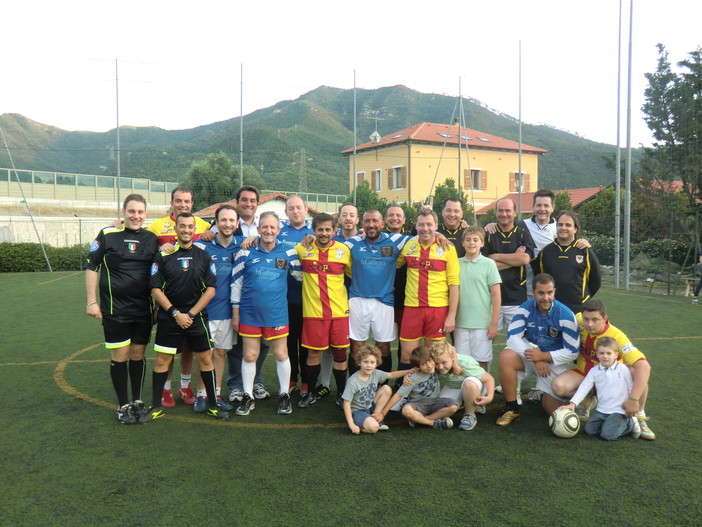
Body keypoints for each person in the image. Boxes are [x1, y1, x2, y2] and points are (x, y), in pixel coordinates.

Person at [140, 212, 228, 422]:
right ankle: (156, 405)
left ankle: (212, 404)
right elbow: (155, 289)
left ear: (194, 229)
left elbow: (211, 289)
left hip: (195, 317)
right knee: (162, 360)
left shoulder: (204, 256)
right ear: (176, 228)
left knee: (206, 359)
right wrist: (175, 313)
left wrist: (189, 314)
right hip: (169, 317)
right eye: (182, 226)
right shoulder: (163, 255)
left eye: (190, 226)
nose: (186, 230)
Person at [85, 194, 160, 424]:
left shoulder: (151, 239)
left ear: (145, 214)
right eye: (132, 211)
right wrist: (91, 301)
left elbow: (158, 272)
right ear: (123, 212)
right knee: (120, 356)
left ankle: (137, 401)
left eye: (140, 212)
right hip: (115, 309)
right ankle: (123, 405)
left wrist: (157, 305)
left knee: (138, 355)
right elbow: (92, 266)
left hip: (142, 309)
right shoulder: (108, 234)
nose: (136, 216)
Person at [551, 298, 655, 440]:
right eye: (586, 319)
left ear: (605, 319)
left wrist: (633, 399)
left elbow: (644, 366)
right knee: (559, 386)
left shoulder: (618, 336)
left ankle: (638, 416)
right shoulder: (578, 320)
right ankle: (587, 402)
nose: (589, 324)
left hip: (609, 380)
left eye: (595, 320)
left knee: (636, 372)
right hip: (584, 374)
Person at [231, 212, 302, 416]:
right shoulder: (246, 252)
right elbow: (236, 284)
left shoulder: (289, 252)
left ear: (278, 230)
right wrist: (236, 313)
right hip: (250, 312)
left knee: (281, 354)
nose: (269, 230)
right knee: (250, 355)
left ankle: (284, 394)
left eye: (273, 227)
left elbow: (301, 276)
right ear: (258, 229)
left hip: (277, 313)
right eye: (265, 227)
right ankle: (247, 396)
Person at [147, 186, 211, 407]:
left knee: (188, 348)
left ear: (192, 204)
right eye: (179, 201)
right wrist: (118, 225)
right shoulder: (157, 225)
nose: (183, 204)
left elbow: (219, 235)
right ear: (172, 202)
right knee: (167, 351)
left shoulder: (203, 224)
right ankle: (165, 390)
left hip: (192, 302)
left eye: (187, 201)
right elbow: (141, 240)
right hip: (168, 300)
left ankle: (185, 387)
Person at [495, 273, 580, 427]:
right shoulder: (525, 309)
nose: (545, 298)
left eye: (549, 293)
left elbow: (573, 351)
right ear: (533, 293)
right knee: (506, 356)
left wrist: (544, 356)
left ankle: (581, 397)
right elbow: (513, 337)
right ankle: (512, 408)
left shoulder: (566, 314)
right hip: (531, 356)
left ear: (554, 291)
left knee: (551, 411)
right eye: (541, 293)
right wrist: (537, 358)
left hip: (553, 362)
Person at [296, 212, 352, 408]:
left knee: (340, 354)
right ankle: (310, 392)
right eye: (320, 229)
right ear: (313, 231)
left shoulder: (344, 251)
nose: (324, 233)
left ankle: (342, 394)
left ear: (334, 231)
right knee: (313, 354)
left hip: (339, 313)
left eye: (328, 229)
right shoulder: (303, 249)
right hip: (313, 313)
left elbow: (352, 275)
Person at [192, 204, 245, 413]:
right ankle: (201, 395)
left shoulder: (242, 245)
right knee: (204, 355)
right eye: (223, 220)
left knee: (221, 353)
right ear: (216, 222)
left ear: (237, 223)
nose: (228, 224)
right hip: (205, 311)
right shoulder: (203, 246)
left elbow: (267, 238)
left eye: (232, 220)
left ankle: (217, 393)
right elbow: (182, 245)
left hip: (226, 312)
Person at [345, 209, 409, 376]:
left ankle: (382, 387)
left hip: (384, 302)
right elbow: (331, 244)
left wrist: (439, 235)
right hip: (357, 300)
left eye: (375, 221)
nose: (371, 224)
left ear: (382, 224)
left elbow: (423, 236)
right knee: (357, 347)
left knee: (384, 347)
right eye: (367, 221)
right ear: (362, 224)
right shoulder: (353, 243)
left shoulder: (395, 240)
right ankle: (355, 385)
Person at [397, 207, 459, 372]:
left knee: (434, 356)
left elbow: (454, 284)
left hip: (437, 310)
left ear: (436, 225)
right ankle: (405, 389)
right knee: (407, 355)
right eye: (421, 225)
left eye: (429, 225)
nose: (425, 229)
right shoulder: (408, 246)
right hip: (412, 308)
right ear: (415, 226)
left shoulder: (447, 248)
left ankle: (432, 392)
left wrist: (451, 316)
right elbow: (393, 264)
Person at [226, 185, 272, 403]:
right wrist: (207, 234)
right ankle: (235, 384)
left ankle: (257, 380)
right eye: (244, 200)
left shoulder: (263, 225)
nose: (248, 203)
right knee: (236, 342)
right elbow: (209, 239)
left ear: (257, 203)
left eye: (252, 200)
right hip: (234, 291)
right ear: (237, 202)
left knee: (261, 343)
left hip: (258, 294)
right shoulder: (227, 222)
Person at [559, 336, 641, 441]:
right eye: (601, 353)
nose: (605, 356)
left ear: (616, 355)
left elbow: (630, 387)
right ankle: (610, 424)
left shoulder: (623, 369)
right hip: (602, 410)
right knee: (590, 431)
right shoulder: (594, 371)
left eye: (609, 353)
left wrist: (632, 405)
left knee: (607, 436)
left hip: (619, 411)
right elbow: (584, 387)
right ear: (597, 354)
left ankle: (631, 423)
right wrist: (573, 403)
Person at [277, 196, 313, 393]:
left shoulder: (316, 232)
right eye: (291, 208)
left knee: (306, 342)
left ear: (305, 209)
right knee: (289, 341)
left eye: (299, 207)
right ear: (286, 212)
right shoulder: (278, 231)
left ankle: (307, 381)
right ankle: (291, 379)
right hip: (285, 298)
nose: (295, 211)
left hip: (309, 298)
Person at [455, 226, 502, 375]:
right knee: (462, 361)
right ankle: (466, 392)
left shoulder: (489, 264)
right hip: (461, 323)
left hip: (482, 324)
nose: (471, 243)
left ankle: (482, 391)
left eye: (475, 240)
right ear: (463, 243)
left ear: (482, 243)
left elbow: (496, 295)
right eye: (468, 240)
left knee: (481, 360)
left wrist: (494, 324)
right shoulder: (456, 263)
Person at [536, 211, 601, 313]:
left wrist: (584, 298)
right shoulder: (545, 252)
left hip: (578, 310)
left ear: (575, 229)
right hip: (551, 309)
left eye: (568, 225)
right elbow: (539, 277)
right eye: (560, 224)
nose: (563, 228)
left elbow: (595, 280)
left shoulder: (585, 251)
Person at [379, 346, 458, 429]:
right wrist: (382, 414)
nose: (429, 365)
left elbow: (452, 348)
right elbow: (398, 395)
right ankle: (433, 423)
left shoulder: (436, 368)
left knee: (453, 407)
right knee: (406, 410)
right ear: (418, 367)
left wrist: (455, 364)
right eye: (424, 364)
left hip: (435, 401)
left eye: (430, 361)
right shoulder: (412, 378)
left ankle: (421, 420)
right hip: (418, 405)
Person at [341, 345, 408, 434]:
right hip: (358, 411)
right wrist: (351, 425)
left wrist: (410, 371)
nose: (369, 365)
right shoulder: (353, 381)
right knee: (374, 428)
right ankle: (366, 424)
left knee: (386, 389)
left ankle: (376, 417)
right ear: (359, 363)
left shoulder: (375, 373)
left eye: (372, 362)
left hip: (370, 405)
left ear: (377, 363)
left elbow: (391, 375)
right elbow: (346, 403)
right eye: (365, 362)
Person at [431, 341, 495, 431]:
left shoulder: (465, 364)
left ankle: (470, 414)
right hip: (454, 386)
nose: (440, 367)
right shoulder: (442, 359)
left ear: (453, 358)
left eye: (444, 362)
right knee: (440, 411)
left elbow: (489, 379)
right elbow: (452, 348)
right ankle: (463, 402)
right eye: (437, 363)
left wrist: (489, 397)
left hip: (475, 386)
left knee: (469, 383)